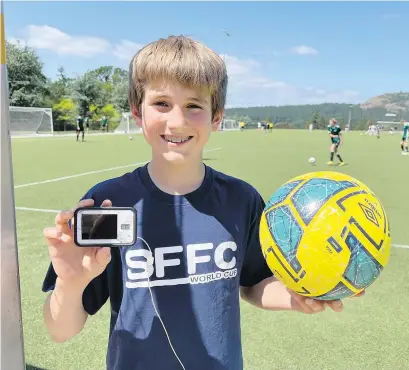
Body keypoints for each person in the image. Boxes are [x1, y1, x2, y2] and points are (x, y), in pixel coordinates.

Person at [41, 36, 362, 370]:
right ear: (137, 112)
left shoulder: (241, 199)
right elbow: (61, 330)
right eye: (161, 103)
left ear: (216, 117)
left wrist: (295, 296)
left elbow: (253, 283)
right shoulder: (110, 202)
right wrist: (71, 282)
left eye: (194, 106)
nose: (177, 121)